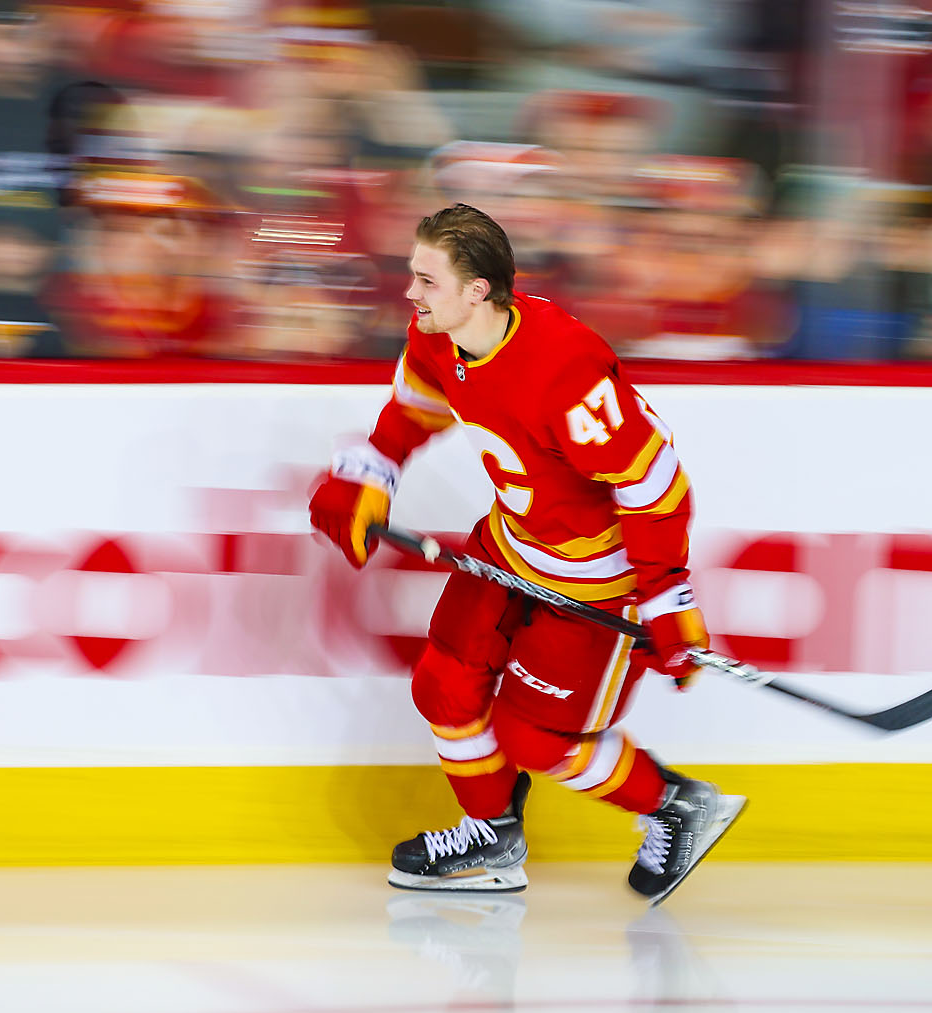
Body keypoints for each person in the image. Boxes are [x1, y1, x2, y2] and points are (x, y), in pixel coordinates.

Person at [308, 203, 744, 904]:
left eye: (427, 280)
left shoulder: (564, 369)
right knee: (444, 682)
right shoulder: (437, 336)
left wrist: (666, 596)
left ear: (478, 290)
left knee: (531, 735)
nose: (411, 294)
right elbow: (416, 408)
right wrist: (372, 470)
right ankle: (490, 835)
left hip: (600, 580)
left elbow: (654, 482)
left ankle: (674, 803)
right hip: (512, 542)